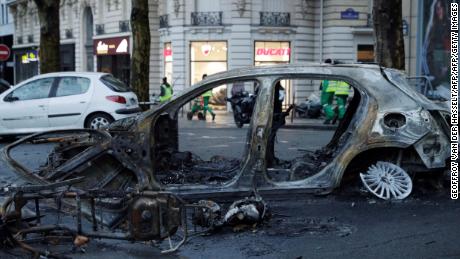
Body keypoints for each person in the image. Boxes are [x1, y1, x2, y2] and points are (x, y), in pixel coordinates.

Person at [267, 81, 285, 167]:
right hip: (274, 114)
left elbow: (279, 100)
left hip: (274, 115)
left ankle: (270, 159)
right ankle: (270, 158)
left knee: (270, 138)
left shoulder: (274, 89)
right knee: (270, 138)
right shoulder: (276, 89)